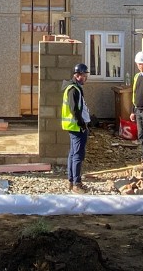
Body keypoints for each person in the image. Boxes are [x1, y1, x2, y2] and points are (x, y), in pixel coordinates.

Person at [61, 63, 92, 193]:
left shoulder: (73, 88)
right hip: (77, 127)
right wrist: (82, 124)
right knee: (78, 155)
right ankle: (76, 184)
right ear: (77, 75)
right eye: (84, 75)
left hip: (73, 126)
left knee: (73, 154)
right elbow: (74, 109)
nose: (86, 78)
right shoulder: (73, 90)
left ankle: (71, 180)